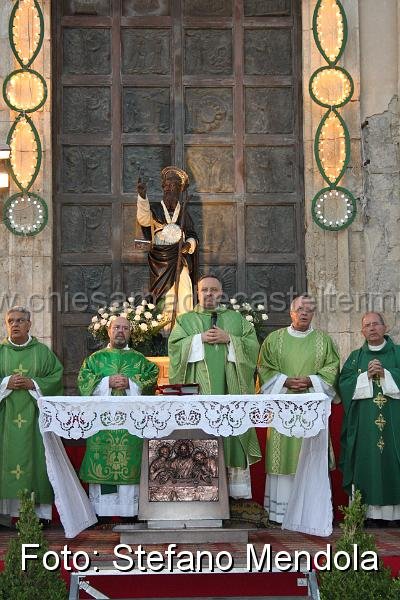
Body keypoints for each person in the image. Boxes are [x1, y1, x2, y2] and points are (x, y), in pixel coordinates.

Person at [168, 275, 261, 498]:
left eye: (214, 290)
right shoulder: (185, 320)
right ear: (197, 293)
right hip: (200, 394)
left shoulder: (236, 320)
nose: (209, 294)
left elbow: (253, 346)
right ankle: (200, 492)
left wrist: (230, 339)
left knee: (231, 436)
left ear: (221, 293)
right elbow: (174, 349)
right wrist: (198, 339)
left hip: (231, 392)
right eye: (204, 290)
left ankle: (234, 497)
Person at [258, 295, 339, 531]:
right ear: (291, 313)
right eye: (300, 309)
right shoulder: (275, 339)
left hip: (311, 408)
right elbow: (264, 367)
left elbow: (332, 368)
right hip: (282, 407)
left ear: (313, 314)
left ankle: (311, 511)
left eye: (309, 310)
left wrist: (310, 380)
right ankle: (279, 513)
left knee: (311, 455)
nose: (304, 313)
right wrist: (285, 381)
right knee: (283, 455)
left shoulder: (324, 341)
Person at [78, 316, 159, 518]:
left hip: (130, 424)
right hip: (102, 423)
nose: (120, 331)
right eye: (117, 327)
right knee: (103, 460)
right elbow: (84, 381)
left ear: (131, 332)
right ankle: (101, 512)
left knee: (130, 461)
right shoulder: (94, 359)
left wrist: (131, 383)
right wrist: (106, 382)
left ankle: (129, 511)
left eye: (125, 328)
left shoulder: (139, 359)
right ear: (109, 331)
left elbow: (151, 377)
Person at [0, 306, 63, 522]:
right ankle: (6, 515)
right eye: (11, 321)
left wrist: (34, 383)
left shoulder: (42, 352)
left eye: (20, 321)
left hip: (35, 421)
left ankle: (38, 516)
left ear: (29, 324)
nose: (15, 325)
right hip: (5, 419)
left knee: (37, 462)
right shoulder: (1, 351)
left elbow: (56, 377)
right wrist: (5, 382)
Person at [339, 312, 400, 526]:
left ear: (385, 327)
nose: (372, 328)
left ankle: (395, 515)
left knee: (393, 461)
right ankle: (368, 515)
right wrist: (365, 375)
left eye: (376, 324)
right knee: (366, 462)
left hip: (395, 425)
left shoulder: (398, 354)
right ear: (362, 331)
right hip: (364, 425)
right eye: (367, 325)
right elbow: (344, 383)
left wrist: (386, 374)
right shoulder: (356, 357)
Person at [136, 166, 199, 319]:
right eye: (167, 186)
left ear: (179, 190)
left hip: (179, 257)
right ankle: (162, 327)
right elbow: (143, 220)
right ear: (163, 188)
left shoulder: (183, 211)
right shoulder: (155, 209)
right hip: (160, 260)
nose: (170, 189)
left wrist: (189, 245)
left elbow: (192, 234)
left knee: (184, 285)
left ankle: (184, 325)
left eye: (174, 186)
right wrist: (142, 197)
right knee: (163, 295)